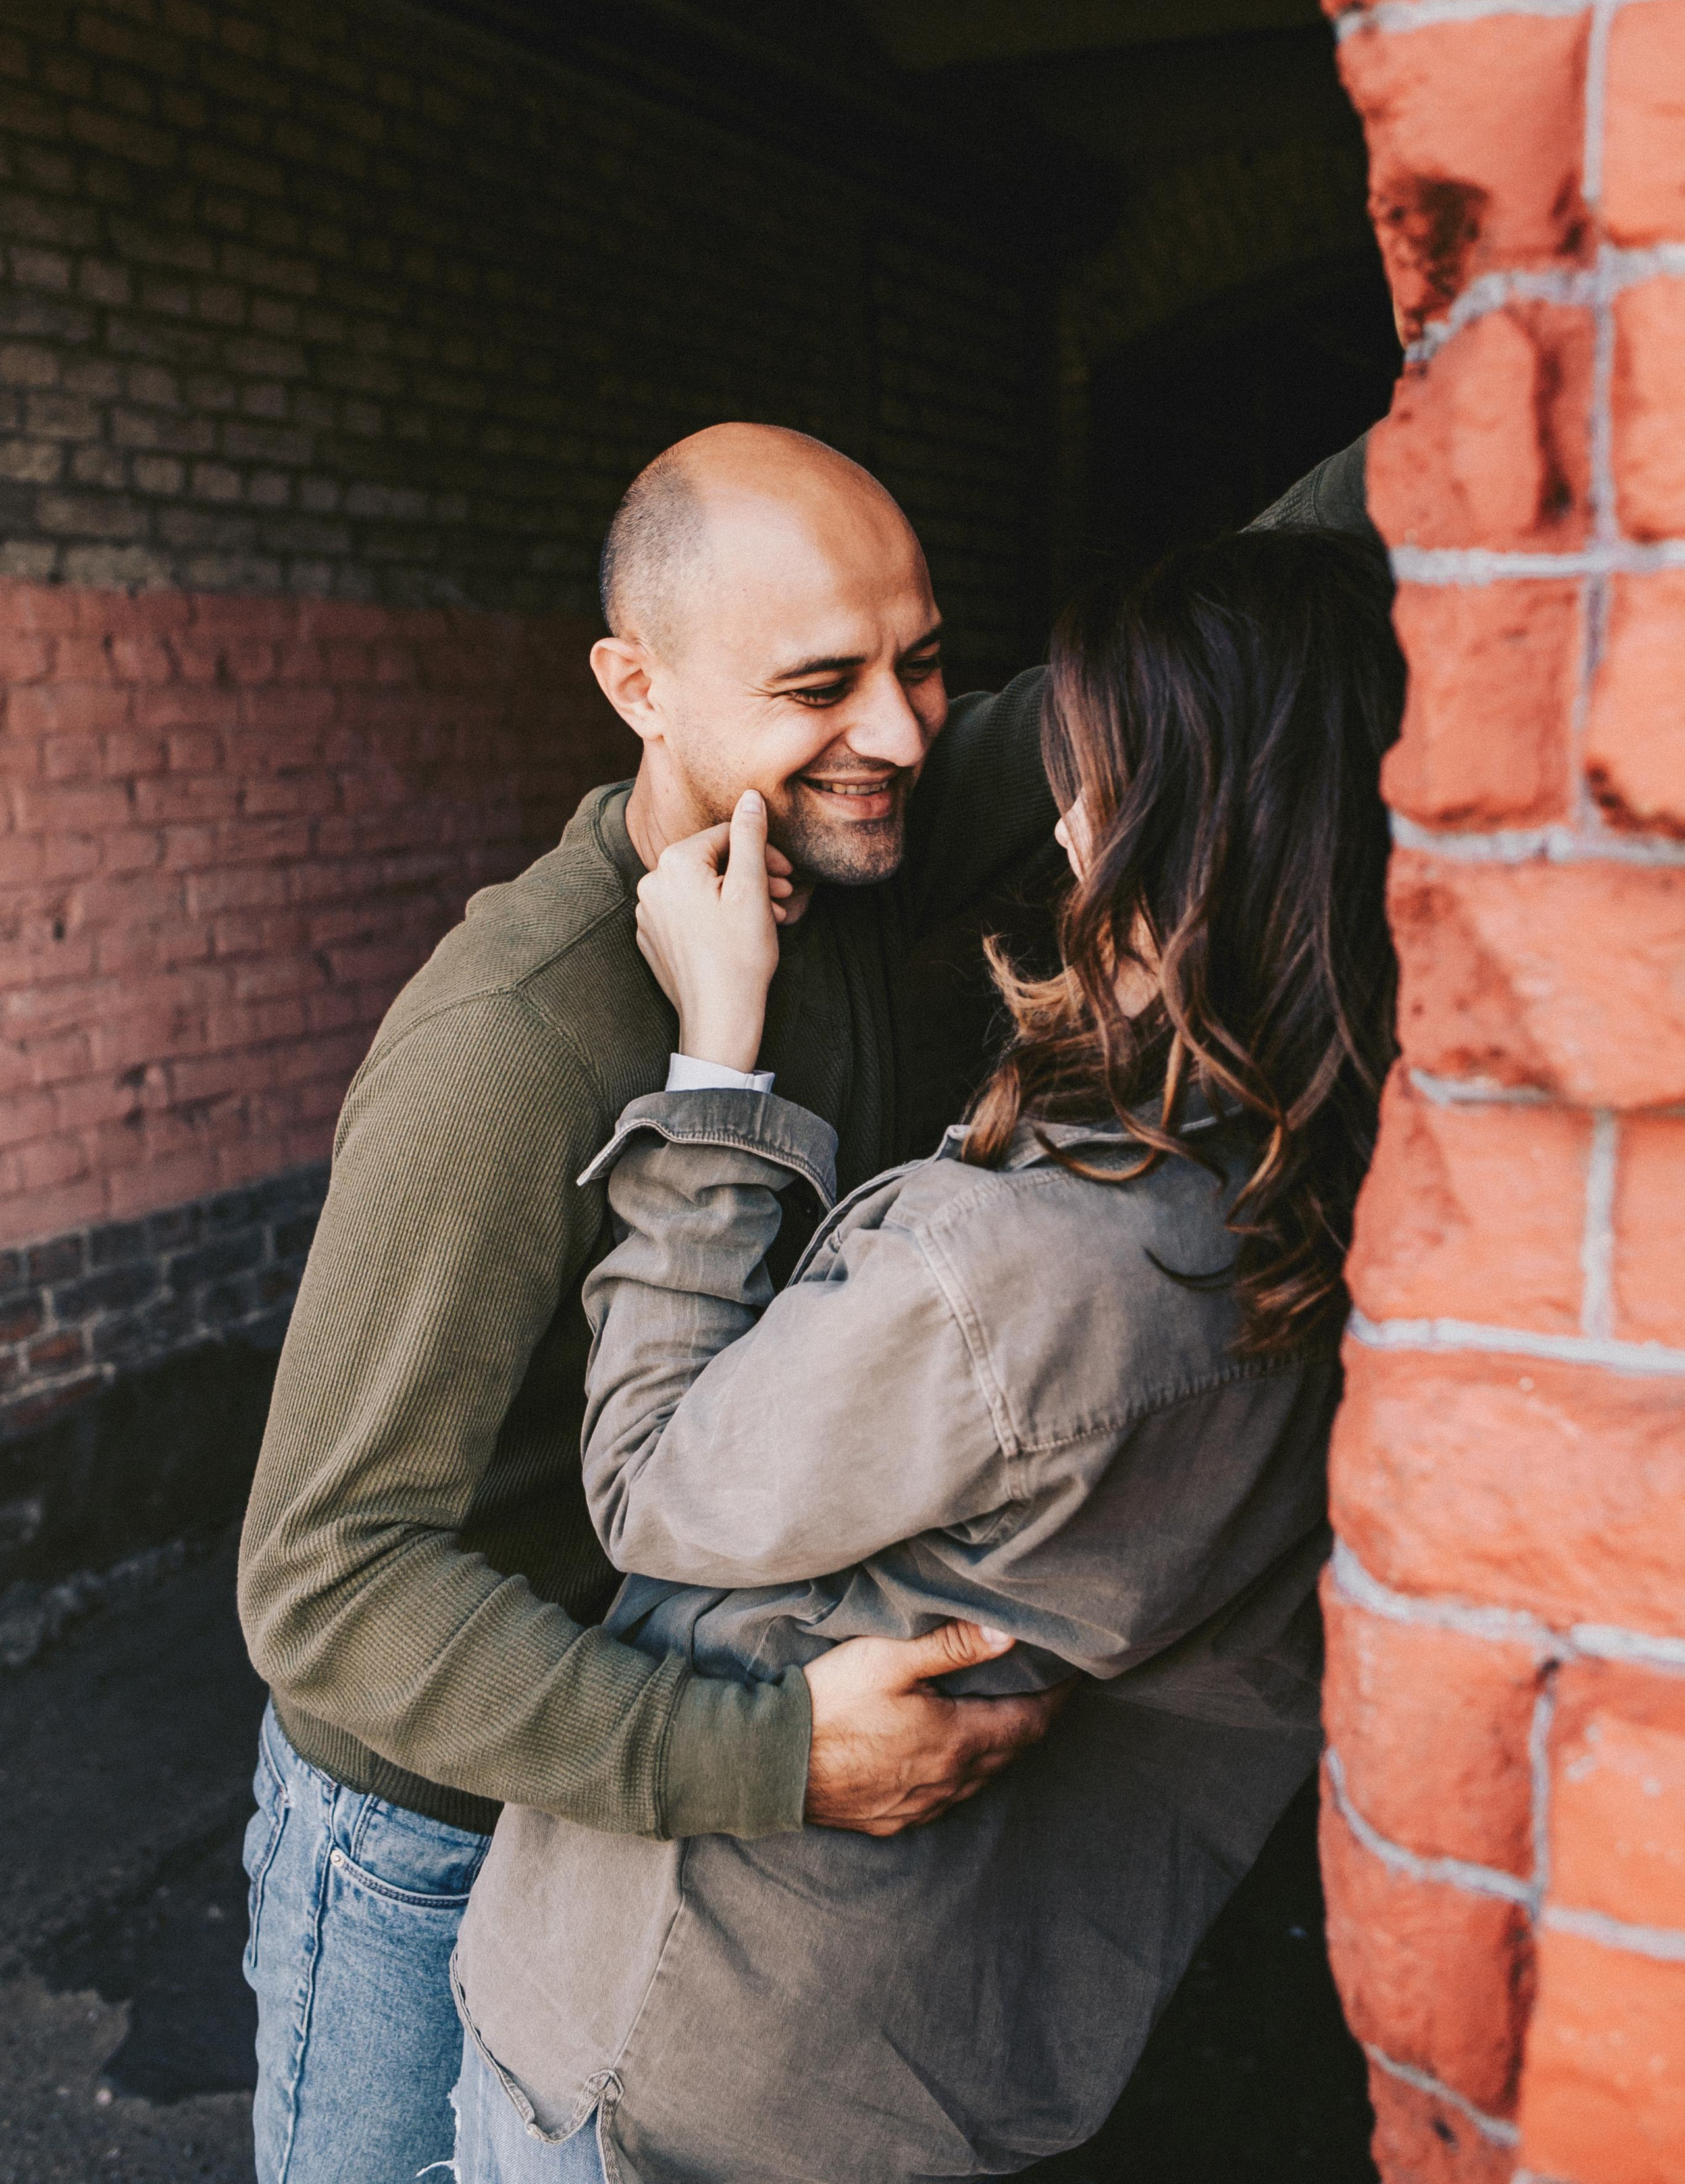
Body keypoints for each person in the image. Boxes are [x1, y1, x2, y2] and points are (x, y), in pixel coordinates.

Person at [450, 526, 1405, 2184]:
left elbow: (651, 1485)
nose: (1057, 818)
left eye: (1096, 779)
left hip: (682, 2053)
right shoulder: (1344, 1194)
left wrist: (716, 1066)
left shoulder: (1024, 1267)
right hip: (954, 2051)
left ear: (1198, 835)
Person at [237, 424, 1072, 2184]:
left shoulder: (868, 838)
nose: (907, 731)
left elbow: (1195, 671)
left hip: (642, 1809)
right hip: (434, 1831)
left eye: (924, 660)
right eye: (822, 683)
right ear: (639, 685)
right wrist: (772, 1754)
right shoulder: (514, 1040)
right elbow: (326, 1589)